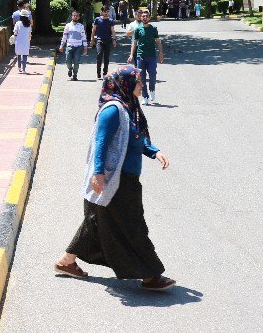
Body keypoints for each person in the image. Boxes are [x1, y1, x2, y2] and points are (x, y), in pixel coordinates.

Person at [54, 66, 174, 291]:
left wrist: (154, 151)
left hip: (125, 178)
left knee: (98, 222)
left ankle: (67, 261)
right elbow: (100, 142)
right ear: (126, 83)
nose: (141, 85)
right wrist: (98, 173)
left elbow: (138, 138)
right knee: (134, 225)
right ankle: (152, 275)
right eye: (138, 81)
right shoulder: (113, 110)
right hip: (115, 179)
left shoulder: (130, 107)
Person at [128, 10, 163, 106]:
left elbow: (158, 41)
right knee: (141, 78)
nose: (144, 18)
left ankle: (152, 89)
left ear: (149, 18)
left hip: (151, 55)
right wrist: (131, 55)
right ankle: (145, 97)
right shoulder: (138, 30)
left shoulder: (153, 28)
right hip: (140, 56)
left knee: (152, 75)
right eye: (143, 16)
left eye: (146, 16)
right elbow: (134, 43)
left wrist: (161, 53)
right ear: (141, 17)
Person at [58, 10, 88, 81]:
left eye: (76, 16)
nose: (75, 17)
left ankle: (75, 75)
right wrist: (61, 45)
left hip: (78, 47)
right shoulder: (68, 25)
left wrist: (85, 47)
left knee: (76, 62)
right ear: (72, 16)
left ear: (78, 17)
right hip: (69, 46)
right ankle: (70, 69)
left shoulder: (81, 26)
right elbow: (64, 36)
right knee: (67, 61)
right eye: (74, 15)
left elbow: (84, 37)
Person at [91, 7, 116, 79]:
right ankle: (98, 72)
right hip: (99, 40)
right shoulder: (97, 19)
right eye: (105, 11)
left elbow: (113, 31)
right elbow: (93, 30)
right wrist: (92, 40)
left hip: (108, 40)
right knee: (99, 55)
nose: (106, 13)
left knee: (106, 57)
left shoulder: (110, 20)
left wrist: (114, 39)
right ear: (102, 12)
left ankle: (105, 72)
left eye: (107, 11)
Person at [14, 10, 32, 74]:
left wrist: (14, 37)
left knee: (19, 54)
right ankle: (24, 69)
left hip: (18, 41)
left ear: (20, 16)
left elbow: (15, 32)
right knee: (25, 55)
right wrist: (29, 39)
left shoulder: (18, 23)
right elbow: (30, 34)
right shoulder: (29, 24)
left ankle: (19, 67)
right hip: (26, 41)